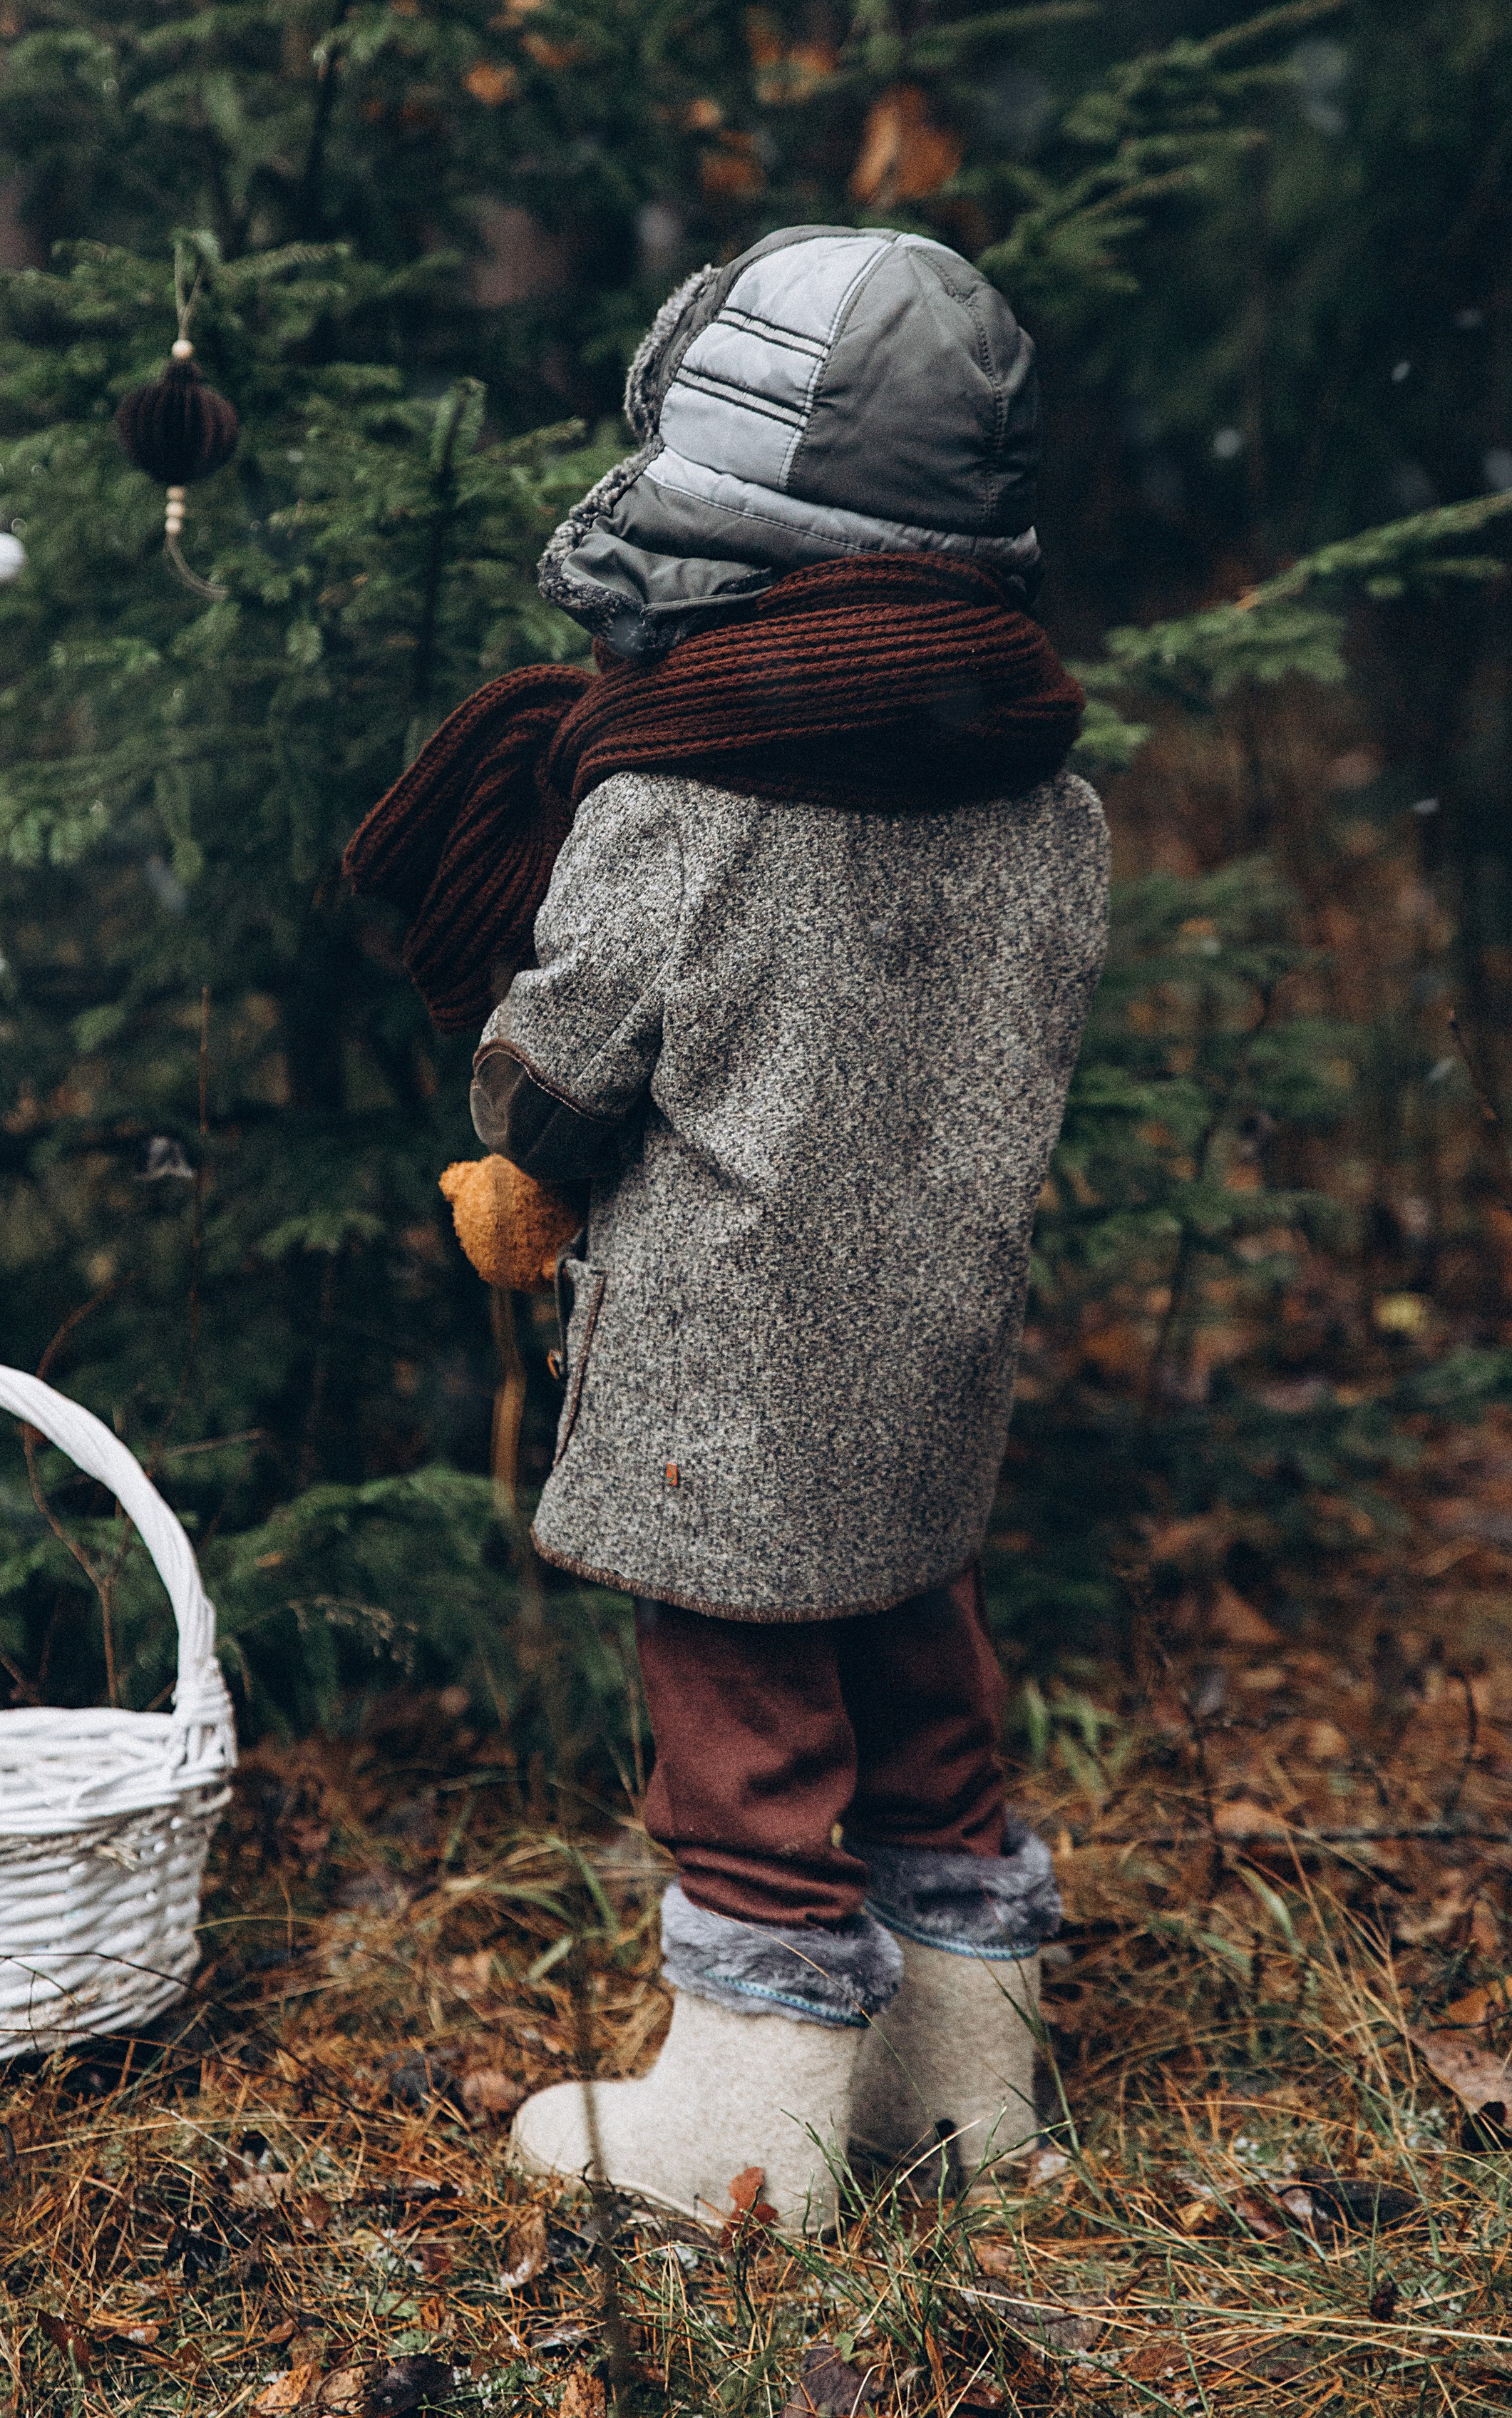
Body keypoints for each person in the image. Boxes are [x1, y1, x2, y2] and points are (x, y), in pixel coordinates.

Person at [346, 225, 1110, 2228]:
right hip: (933, 1337)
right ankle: (967, 2081)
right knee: (926, 1690)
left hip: (729, 1357)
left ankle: (757, 2127)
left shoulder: (689, 795)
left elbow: (572, 1056)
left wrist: (517, 1160)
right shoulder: (1046, 795)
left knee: (745, 1729)